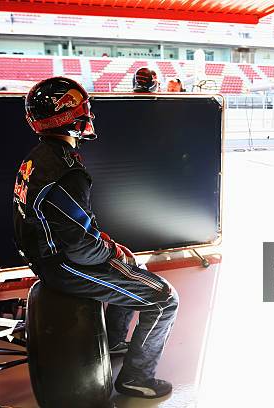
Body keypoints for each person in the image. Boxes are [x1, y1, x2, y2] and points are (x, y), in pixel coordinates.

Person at [13, 77, 178, 398]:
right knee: (164, 300)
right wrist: (111, 249)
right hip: (64, 266)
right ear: (71, 117)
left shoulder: (37, 157)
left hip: (46, 258)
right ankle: (137, 379)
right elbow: (83, 250)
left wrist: (113, 250)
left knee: (129, 260)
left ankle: (115, 340)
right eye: (84, 109)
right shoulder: (66, 171)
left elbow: (68, 225)